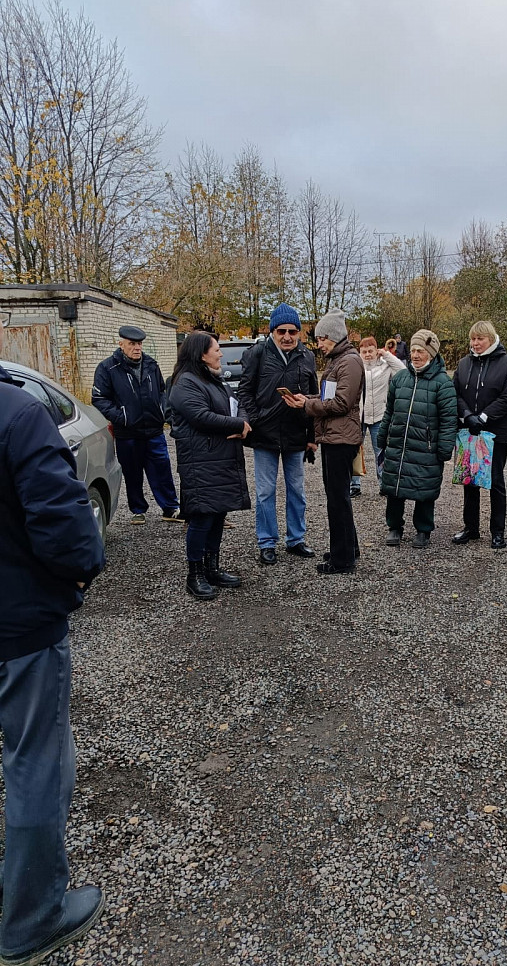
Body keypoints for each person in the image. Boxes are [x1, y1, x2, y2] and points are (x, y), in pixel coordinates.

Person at [0, 308, 106, 964]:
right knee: (37, 762)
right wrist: (77, 579)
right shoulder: (15, 414)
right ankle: (33, 917)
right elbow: (66, 525)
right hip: (19, 631)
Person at [169, 332, 252, 600]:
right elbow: (201, 417)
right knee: (202, 517)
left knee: (217, 515)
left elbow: (237, 405)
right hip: (201, 462)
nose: (220, 354)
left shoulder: (212, 379)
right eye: (216, 349)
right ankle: (194, 575)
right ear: (201, 354)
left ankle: (212, 569)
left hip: (221, 458)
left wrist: (242, 421)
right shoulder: (185, 384)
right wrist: (238, 425)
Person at [281, 308, 364, 575]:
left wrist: (308, 404)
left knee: (337, 499)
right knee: (337, 497)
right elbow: (329, 397)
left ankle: (343, 560)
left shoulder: (348, 362)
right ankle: (347, 548)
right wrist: (308, 401)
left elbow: (341, 403)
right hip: (334, 436)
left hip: (341, 438)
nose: (319, 344)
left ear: (334, 337)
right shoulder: (338, 360)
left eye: (321, 339)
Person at [238, 303, 318, 565]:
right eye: (281, 330)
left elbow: (315, 398)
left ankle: (296, 539)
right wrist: (254, 419)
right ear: (272, 331)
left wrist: (311, 436)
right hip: (265, 434)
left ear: (299, 332)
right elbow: (245, 392)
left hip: (295, 433)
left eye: (292, 331)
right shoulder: (257, 354)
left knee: (296, 490)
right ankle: (267, 541)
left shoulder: (307, 356)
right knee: (265, 491)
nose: (287, 336)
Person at [92, 325, 181, 525]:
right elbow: (99, 398)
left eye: (139, 343)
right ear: (121, 344)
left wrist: (163, 413)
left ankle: (170, 508)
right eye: (132, 344)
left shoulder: (151, 364)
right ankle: (138, 510)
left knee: (162, 470)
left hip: (154, 430)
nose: (137, 348)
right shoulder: (107, 368)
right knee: (132, 473)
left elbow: (161, 392)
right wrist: (121, 416)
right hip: (127, 433)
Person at [378, 329, 457, 548]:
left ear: (431, 353)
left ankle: (423, 530)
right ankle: (394, 527)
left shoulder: (443, 383)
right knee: (394, 488)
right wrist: (383, 436)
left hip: (426, 447)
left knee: (424, 490)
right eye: (412, 350)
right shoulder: (401, 378)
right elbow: (389, 411)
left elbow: (449, 420)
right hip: (399, 444)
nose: (415, 355)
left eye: (420, 351)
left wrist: (444, 449)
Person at [452, 320, 507, 549]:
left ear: (490, 338)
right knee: (469, 481)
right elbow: (456, 393)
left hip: (495, 432)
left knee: (496, 482)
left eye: (480, 338)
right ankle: (471, 528)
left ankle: (497, 531)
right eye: (473, 339)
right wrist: (468, 415)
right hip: (469, 431)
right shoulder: (463, 364)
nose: (476, 343)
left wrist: (484, 417)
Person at [349, 336, 404, 497]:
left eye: (370, 351)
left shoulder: (386, 366)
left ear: (376, 350)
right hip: (358, 415)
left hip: (379, 415)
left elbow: (402, 371)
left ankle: (384, 483)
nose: (367, 354)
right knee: (354, 450)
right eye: (364, 352)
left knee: (380, 451)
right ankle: (354, 485)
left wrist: (386, 354)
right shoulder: (356, 366)